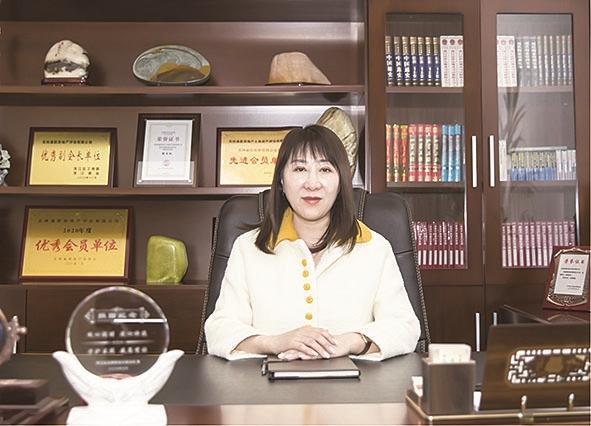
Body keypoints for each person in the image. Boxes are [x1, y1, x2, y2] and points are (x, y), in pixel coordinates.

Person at [204, 125, 420, 361]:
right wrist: (276, 342)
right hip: (266, 381)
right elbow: (219, 331)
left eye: (325, 169)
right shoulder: (248, 247)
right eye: (300, 168)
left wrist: (351, 342)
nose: (312, 183)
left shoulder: (375, 247)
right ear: (281, 180)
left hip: (356, 382)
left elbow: (405, 327)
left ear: (341, 181)